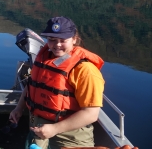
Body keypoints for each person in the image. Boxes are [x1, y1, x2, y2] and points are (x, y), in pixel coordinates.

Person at [9, 16, 105, 149]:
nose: (57, 45)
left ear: (74, 40)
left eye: (63, 40)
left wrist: (55, 129)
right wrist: (19, 108)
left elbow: (91, 114)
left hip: (69, 137)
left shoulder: (86, 70)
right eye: (52, 40)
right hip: (39, 128)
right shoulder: (44, 59)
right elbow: (32, 85)